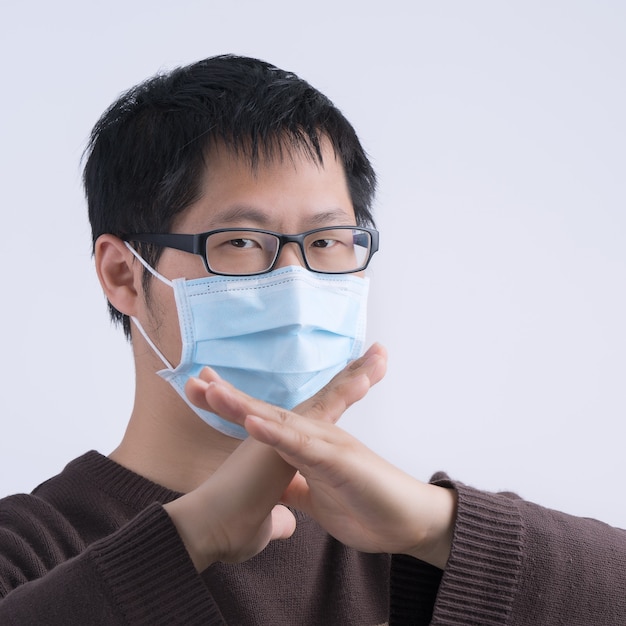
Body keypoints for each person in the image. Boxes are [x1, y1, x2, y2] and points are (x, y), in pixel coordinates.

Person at [0, 54, 624, 625]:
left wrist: (436, 525)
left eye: (327, 243)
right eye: (241, 242)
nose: (296, 284)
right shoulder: (29, 551)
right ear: (123, 275)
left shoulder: (397, 540)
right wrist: (189, 538)